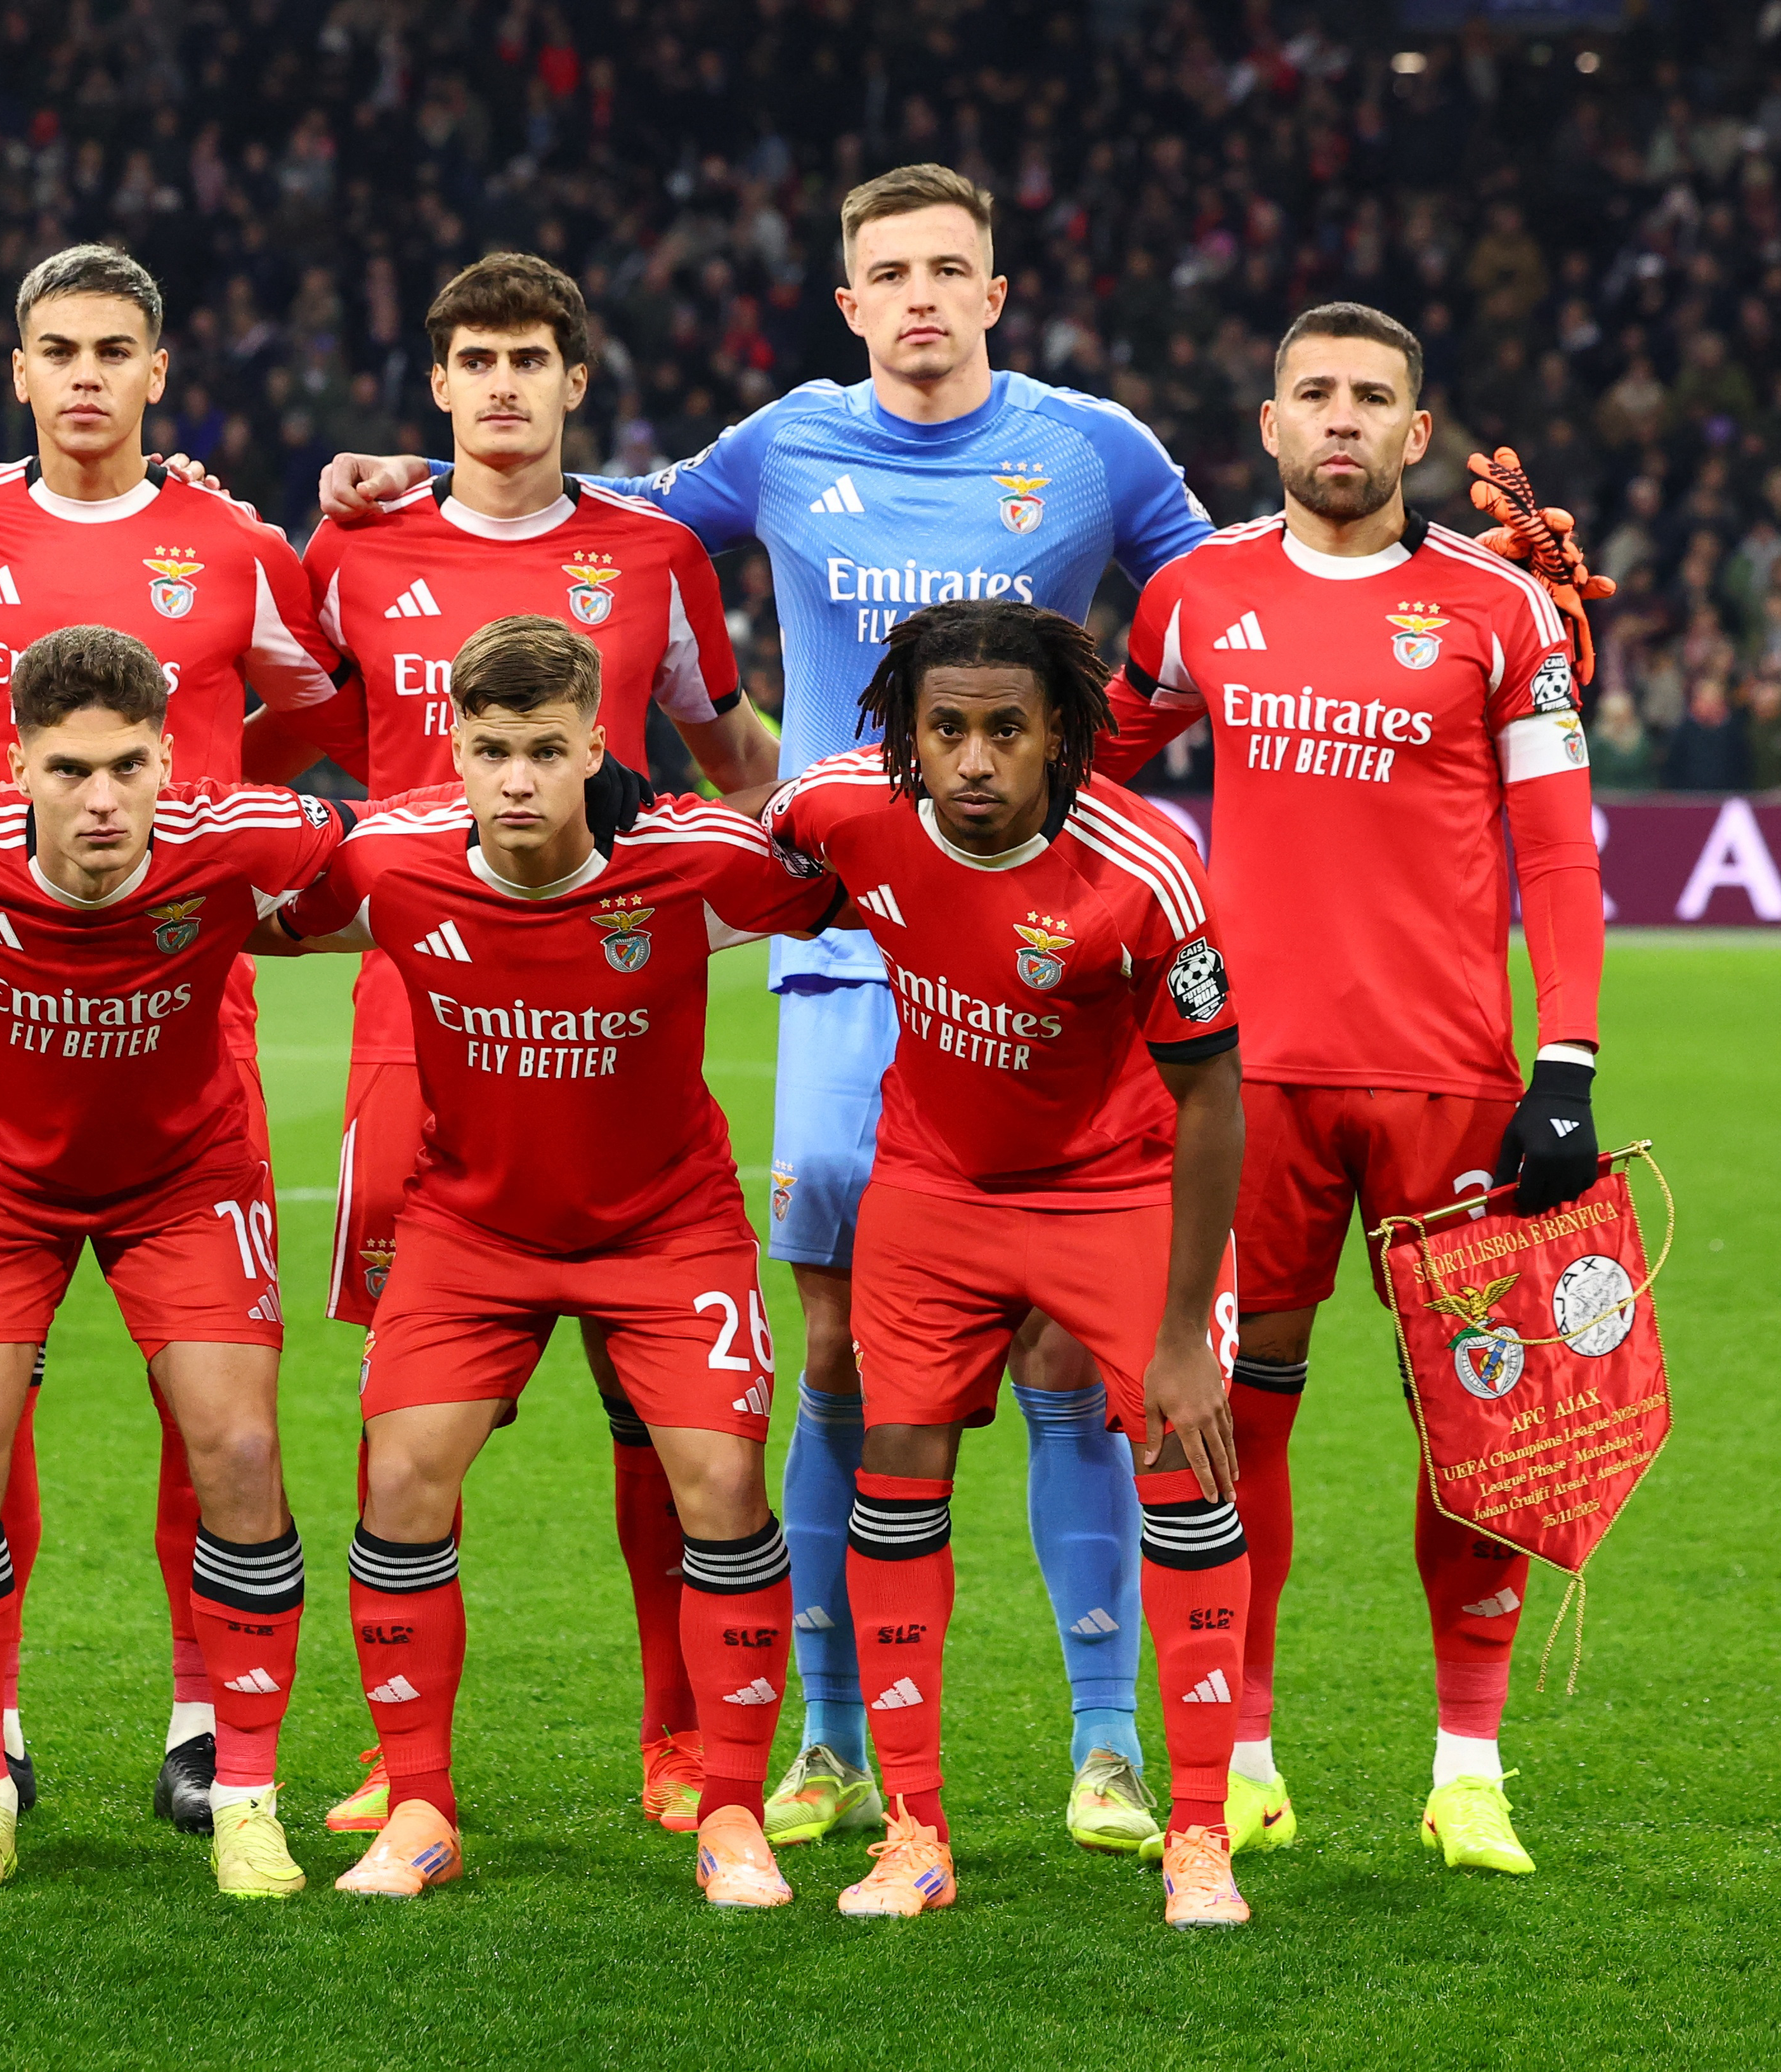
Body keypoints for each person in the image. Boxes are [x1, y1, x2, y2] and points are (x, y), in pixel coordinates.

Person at [319, 165, 1215, 1852]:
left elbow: (1205, 608)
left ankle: (1104, 1743)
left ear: (996, 291)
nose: (924, 296)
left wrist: (1113, 755)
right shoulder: (779, 445)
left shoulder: (1095, 446)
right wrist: (416, 474)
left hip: (1034, 935)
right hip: (841, 937)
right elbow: (608, 516)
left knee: (1057, 1343)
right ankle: (818, 1738)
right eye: (892, 272)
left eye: (953, 267)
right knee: (829, 1341)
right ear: (849, 299)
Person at [240, 251, 786, 1839]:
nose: (499, 386)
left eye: (529, 359)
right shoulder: (350, 547)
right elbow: (261, 718)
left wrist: (741, 875)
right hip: (416, 1008)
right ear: (436, 382)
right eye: (473, 358)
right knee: (419, 1411)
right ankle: (398, 1751)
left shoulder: (657, 553)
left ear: (574, 383)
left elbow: (729, 751)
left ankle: (680, 1732)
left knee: (651, 1403)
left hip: (610, 998)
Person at [1099, 304, 1603, 1874]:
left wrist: (1566, 1059)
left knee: (1488, 1427)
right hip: (1246, 1085)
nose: (1339, 418)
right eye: (1312, 392)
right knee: (1236, 1419)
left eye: (1370, 397)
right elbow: (1094, 770)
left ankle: (1469, 1764)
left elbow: (1558, 851)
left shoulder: (1498, 609)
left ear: (1417, 432)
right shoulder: (1195, 594)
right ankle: (1242, 1750)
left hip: (1450, 1083)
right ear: (1266, 423)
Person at [263, 615, 842, 1905]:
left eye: (542, 749)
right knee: (401, 1474)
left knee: (718, 1481)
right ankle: (418, 1807)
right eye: (488, 751)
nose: (515, 778)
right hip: (473, 1230)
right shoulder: (393, 862)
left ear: (596, 746)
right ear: (452, 756)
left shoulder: (688, 857)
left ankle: (731, 1811)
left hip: (664, 1225)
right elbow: (242, 901)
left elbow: (839, 871)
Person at [0, 242, 350, 1835]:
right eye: (56, 349)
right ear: (15, 370)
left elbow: (318, 713)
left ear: (160, 373)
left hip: (181, 1013)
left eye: (113, 350)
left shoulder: (236, 542)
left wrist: (204, 809)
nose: (84, 375)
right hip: (1, 1019)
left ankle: (201, 1727)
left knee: (207, 1409)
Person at [0, 624, 348, 1896]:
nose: (102, 799)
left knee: (238, 1450)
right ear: (13, 767)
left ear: (171, 759)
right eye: (68, 771)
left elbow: (414, 839)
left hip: (185, 1173)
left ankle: (245, 1795)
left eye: (127, 766)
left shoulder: (248, 833)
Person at [762, 597, 1251, 1929]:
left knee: (1183, 1463)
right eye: (946, 732)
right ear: (905, 740)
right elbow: (749, 858)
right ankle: (912, 1833)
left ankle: (1196, 1833)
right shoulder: (840, 812)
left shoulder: (1142, 872)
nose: (973, 761)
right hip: (930, 1188)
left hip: (1115, 1189)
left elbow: (1212, 1100)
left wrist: (1176, 1339)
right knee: (896, 1467)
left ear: (1060, 739)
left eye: (1004, 732)